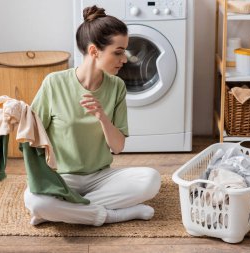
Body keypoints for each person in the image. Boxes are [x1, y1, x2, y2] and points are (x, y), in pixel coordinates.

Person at [23, 5, 161, 226]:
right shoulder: (54, 83)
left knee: (151, 180)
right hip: (61, 176)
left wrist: (102, 117)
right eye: (118, 52)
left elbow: (117, 147)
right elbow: (32, 134)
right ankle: (111, 214)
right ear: (94, 51)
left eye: (124, 51)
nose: (124, 59)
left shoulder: (117, 86)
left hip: (100, 177)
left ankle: (61, 211)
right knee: (35, 201)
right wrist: (15, 116)